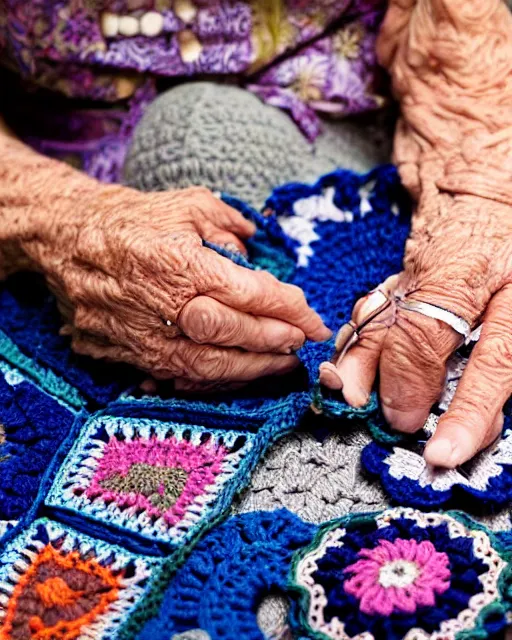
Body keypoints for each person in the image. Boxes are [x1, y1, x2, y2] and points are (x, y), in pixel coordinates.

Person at [0, 0, 511, 470]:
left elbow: (460, 32)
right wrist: (57, 217)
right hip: (44, 177)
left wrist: (484, 191)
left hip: (387, 128)